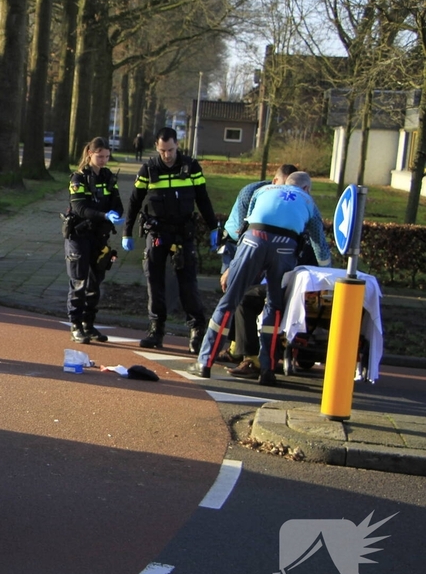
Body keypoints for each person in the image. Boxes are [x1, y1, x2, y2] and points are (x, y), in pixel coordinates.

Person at [190, 172, 332, 385]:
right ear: (306, 189)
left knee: (229, 301)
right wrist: (326, 273)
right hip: (285, 247)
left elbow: (246, 223)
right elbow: (319, 244)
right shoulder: (308, 201)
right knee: (274, 306)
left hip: (254, 240)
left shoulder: (262, 190)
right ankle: (267, 369)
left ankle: (204, 362)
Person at [123, 127, 218, 352]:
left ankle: (196, 332)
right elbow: (135, 201)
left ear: (178, 145)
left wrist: (214, 227)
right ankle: (156, 331)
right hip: (157, 233)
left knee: (188, 282)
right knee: (154, 281)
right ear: (157, 147)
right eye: (163, 150)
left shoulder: (190, 167)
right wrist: (127, 232)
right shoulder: (148, 169)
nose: (167, 155)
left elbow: (202, 197)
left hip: (183, 233)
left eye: (171, 150)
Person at [215, 163, 302, 366]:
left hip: (269, 246)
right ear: (275, 181)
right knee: (235, 289)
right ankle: (239, 348)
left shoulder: (294, 199)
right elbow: (244, 231)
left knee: (249, 295)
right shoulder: (251, 193)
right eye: (283, 185)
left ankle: (245, 349)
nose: (286, 193)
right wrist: (233, 267)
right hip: (238, 244)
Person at [63, 137, 125, 343]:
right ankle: (75, 325)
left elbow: (117, 203)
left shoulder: (108, 177)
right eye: (100, 156)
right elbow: (80, 208)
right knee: (79, 281)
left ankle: (89, 325)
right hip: (79, 236)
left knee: (95, 283)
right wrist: (104, 215)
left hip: (99, 237)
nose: (104, 161)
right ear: (90, 154)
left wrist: (115, 213)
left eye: (107, 156)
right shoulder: (78, 178)